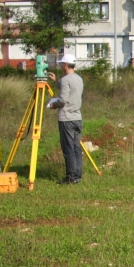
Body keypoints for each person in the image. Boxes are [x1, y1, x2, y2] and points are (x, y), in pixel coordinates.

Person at [48, 53, 84, 185]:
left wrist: (53, 105)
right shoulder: (79, 79)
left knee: (68, 149)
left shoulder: (65, 79)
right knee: (76, 149)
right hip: (77, 118)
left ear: (65, 65)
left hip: (66, 119)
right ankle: (77, 176)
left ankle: (70, 177)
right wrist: (56, 81)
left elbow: (63, 99)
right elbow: (71, 92)